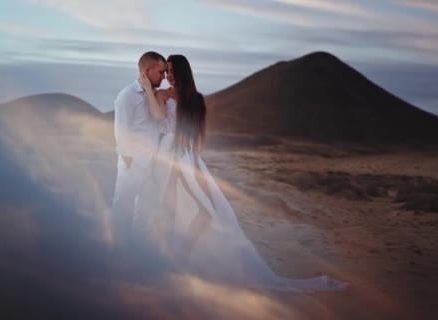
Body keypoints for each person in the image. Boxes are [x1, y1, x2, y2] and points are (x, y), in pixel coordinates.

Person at [136, 54, 349, 292]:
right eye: (166, 71)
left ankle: (178, 258)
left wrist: (193, 161)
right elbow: (158, 117)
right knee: (172, 208)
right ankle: (170, 262)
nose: (169, 76)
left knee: (208, 210)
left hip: (188, 157)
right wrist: (146, 88)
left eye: (173, 71)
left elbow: (195, 136)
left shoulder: (196, 99)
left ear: (183, 72)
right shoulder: (161, 95)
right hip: (168, 157)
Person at [111, 51, 167, 249]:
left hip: (151, 164)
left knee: (144, 211)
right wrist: (127, 159)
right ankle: (116, 251)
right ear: (146, 70)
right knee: (122, 207)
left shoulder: (155, 95)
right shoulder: (126, 96)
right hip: (132, 163)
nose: (164, 77)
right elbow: (121, 129)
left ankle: (137, 251)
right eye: (161, 72)